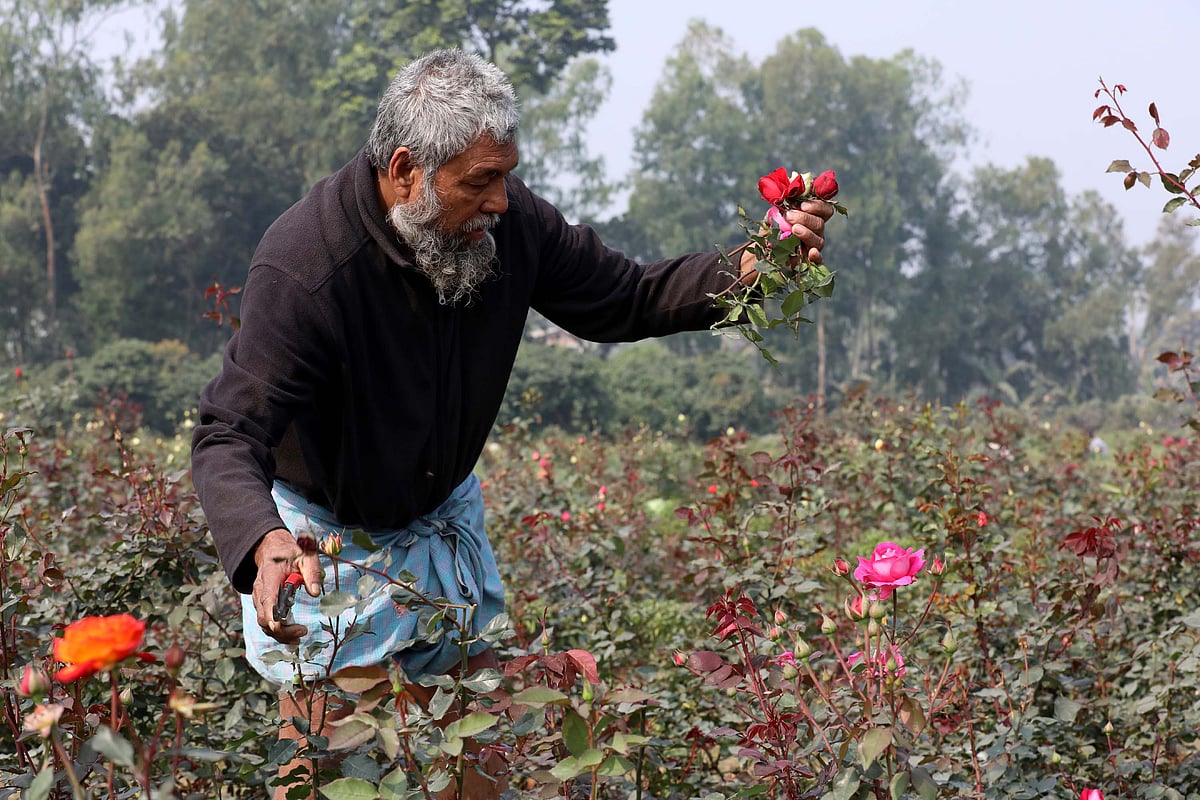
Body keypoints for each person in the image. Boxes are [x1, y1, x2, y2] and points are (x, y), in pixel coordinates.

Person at [190, 48, 833, 799]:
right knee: (332, 769)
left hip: (440, 526)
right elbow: (228, 429)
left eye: (505, 174)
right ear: (405, 172)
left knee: (478, 756)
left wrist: (752, 267)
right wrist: (262, 541)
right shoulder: (308, 268)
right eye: (479, 182)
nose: (501, 199)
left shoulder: (509, 223)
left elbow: (623, 297)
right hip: (328, 547)